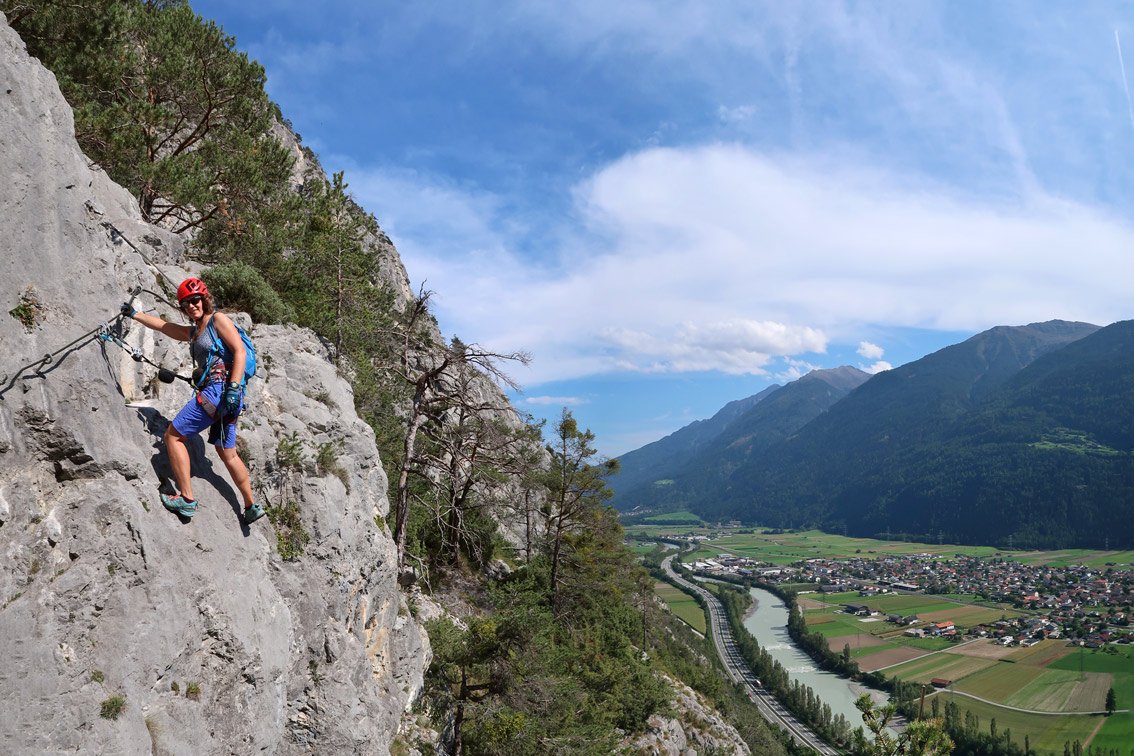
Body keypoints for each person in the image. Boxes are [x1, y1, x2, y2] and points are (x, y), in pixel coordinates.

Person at [122, 278, 265, 525]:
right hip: (228, 399)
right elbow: (164, 327)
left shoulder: (218, 320)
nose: (191, 305)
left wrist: (233, 387)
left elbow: (239, 351)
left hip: (220, 391)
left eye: (195, 300)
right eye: (186, 303)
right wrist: (135, 315)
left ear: (205, 299)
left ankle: (187, 500)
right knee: (227, 453)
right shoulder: (194, 332)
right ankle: (251, 506)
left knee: (172, 437)